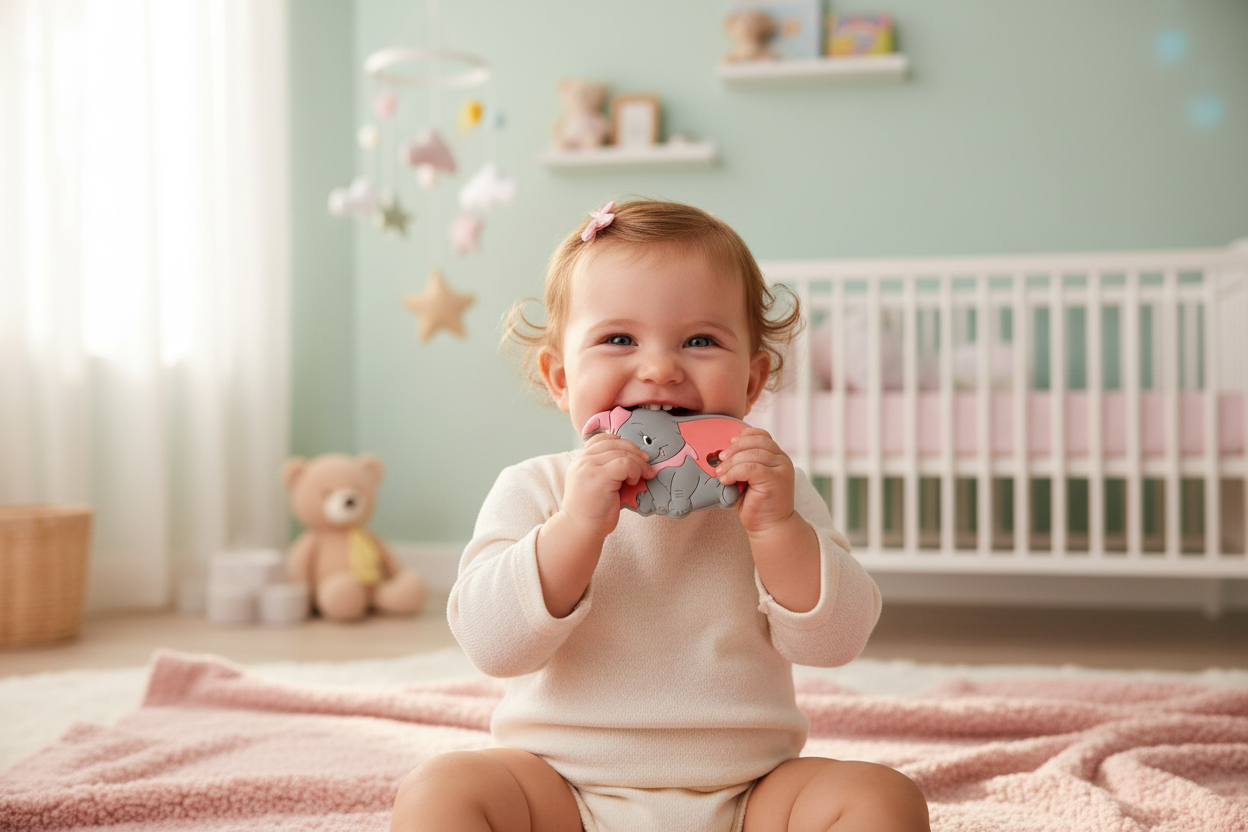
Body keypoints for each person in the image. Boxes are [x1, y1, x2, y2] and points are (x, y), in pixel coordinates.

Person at [390, 199, 930, 832]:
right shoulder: (535, 488)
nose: (660, 368)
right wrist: (575, 528)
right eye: (619, 339)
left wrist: (776, 530)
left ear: (753, 381)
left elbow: (838, 642)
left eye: (700, 340)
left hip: (749, 794)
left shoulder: (770, 490)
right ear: (560, 378)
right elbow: (491, 645)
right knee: (440, 790)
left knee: (883, 797)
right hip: (561, 791)